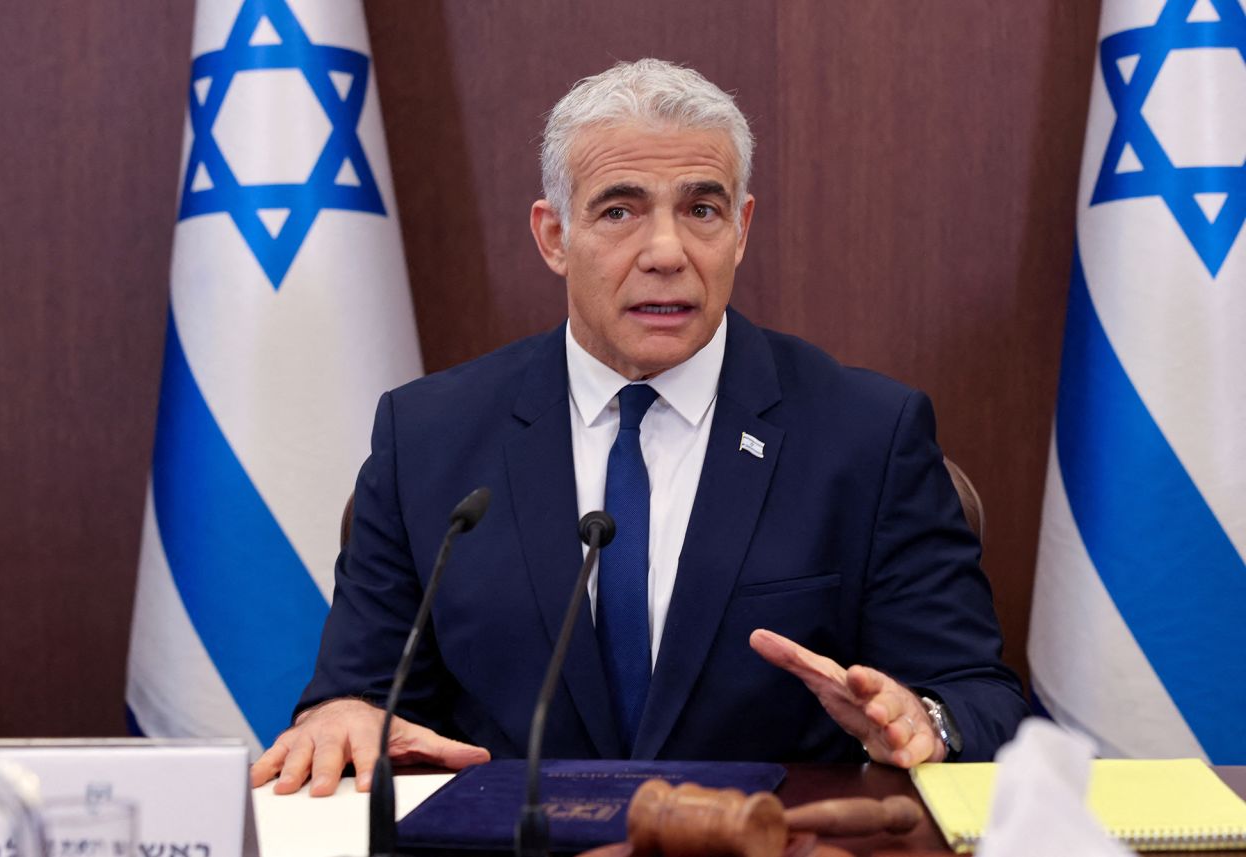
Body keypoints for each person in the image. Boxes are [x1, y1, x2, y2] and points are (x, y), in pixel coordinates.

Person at [251, 59, 1028, 797]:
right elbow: (359, 697)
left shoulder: (865, 435)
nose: (666, 252)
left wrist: (923, 721)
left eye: (701, 209)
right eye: (619, 210)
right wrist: (343, 717)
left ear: (742, 228)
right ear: (553, 235)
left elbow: (983, 701)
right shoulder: (427, 438)